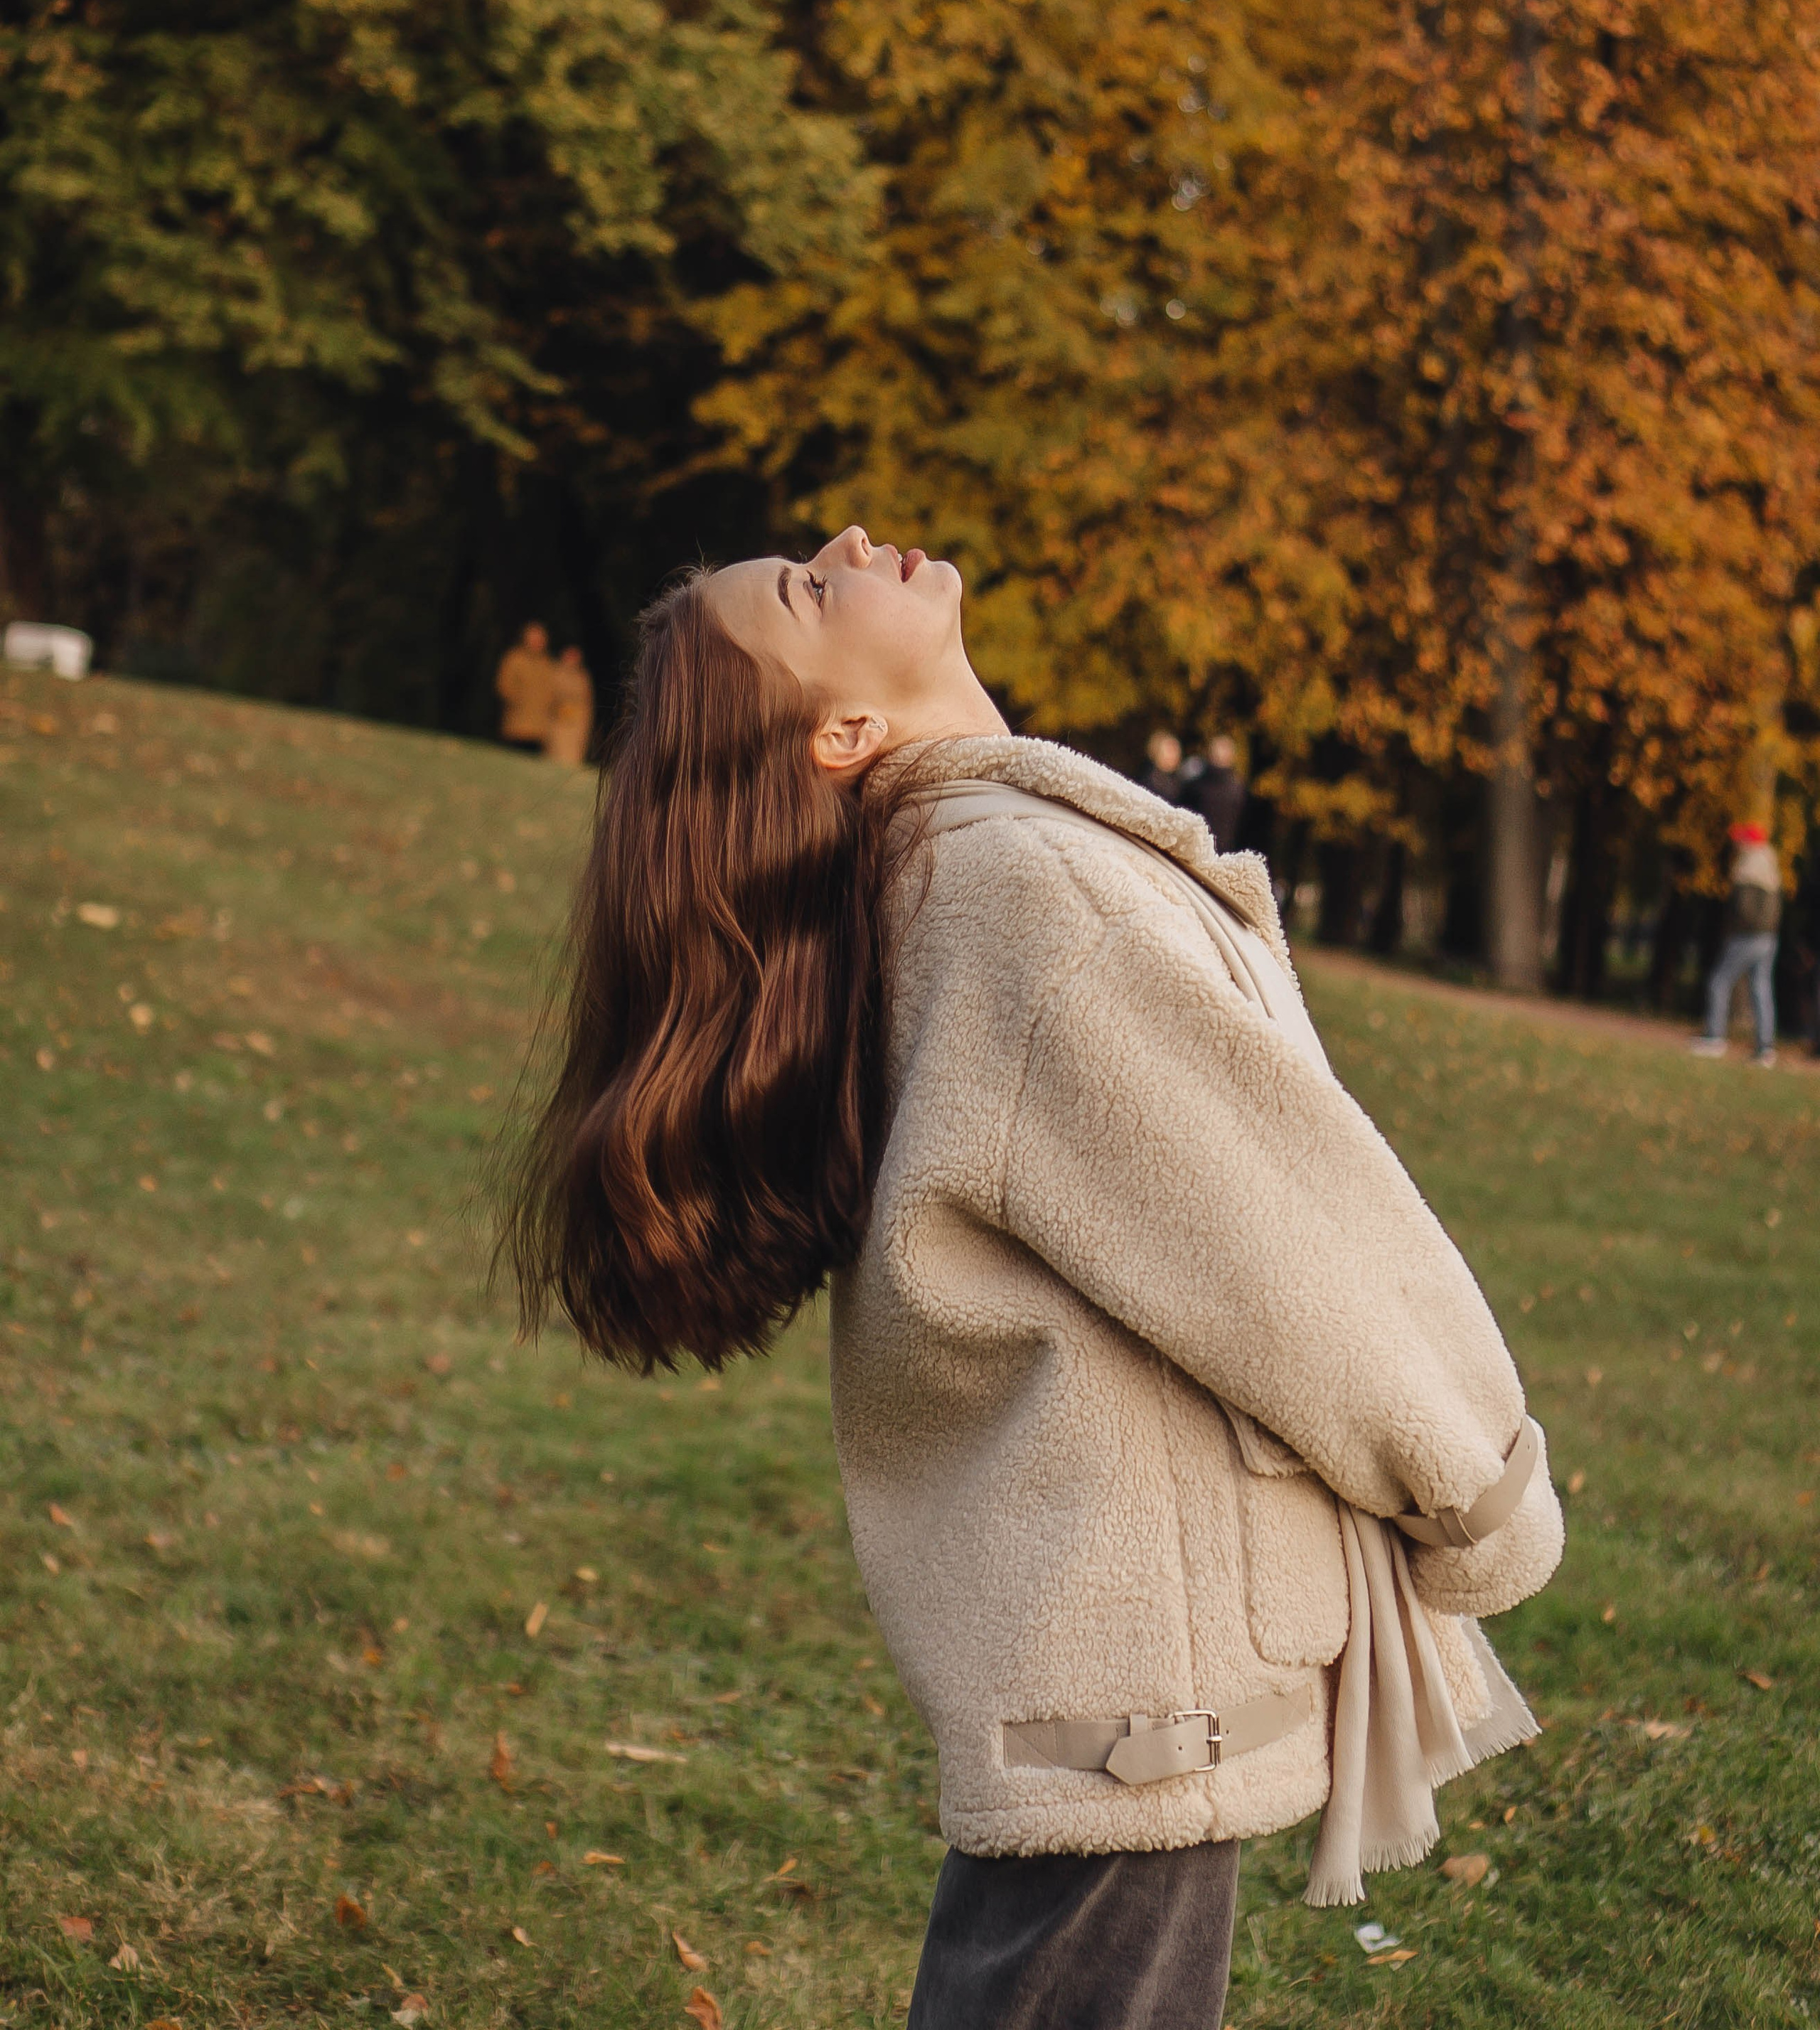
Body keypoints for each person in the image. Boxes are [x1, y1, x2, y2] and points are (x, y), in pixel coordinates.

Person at [497, 525, 1563, 2028]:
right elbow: (1283, 1241)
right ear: (841, 735)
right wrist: (1482, 1495)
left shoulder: (966, 879)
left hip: (1095, 1631)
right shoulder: (1022, 889)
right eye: (809, 588)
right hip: (1134, 1648)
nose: (848, 544)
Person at [1689, 821, 1782, 1067]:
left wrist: (1733, 928)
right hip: (1769, 938)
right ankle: (1765, 1048)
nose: (1737, 845)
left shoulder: (1748, 867)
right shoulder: (1771, 868)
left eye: (1741, 840)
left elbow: (1742, 909)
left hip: (1747, 937)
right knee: (1761, 989)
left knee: (1719, 981)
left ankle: (1714, 1038)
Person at [495, 622, 556, 754]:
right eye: (533, 638)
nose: (537, 642)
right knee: (511, 756)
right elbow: (504, 685)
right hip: (516, 725)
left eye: (540, 638)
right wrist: (516, 700)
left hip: (539, 728)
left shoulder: (547, 664)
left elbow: (552, 690)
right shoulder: (515, 658)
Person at [1184, 733, 1248, 854]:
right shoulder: (1197, 785)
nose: (1219, 755)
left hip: (1224, 850)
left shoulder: (1238, 789)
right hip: (1197, 846)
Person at [544, 645, 595, 767]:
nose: (572, 660)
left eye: (575, 657)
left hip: (575, 725)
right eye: (569, 656)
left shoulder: (582, 678)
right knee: (555, 755)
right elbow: (547, 697)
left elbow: (587, 702)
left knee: (571, 757)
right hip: (558, 723)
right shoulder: (554, 673)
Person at [1143, 728, 1186, 803]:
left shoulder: (1182, 782)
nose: (1175, 755)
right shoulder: (1149, 784)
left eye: (1177, 750)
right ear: (1156, 752)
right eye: (1170, 750)